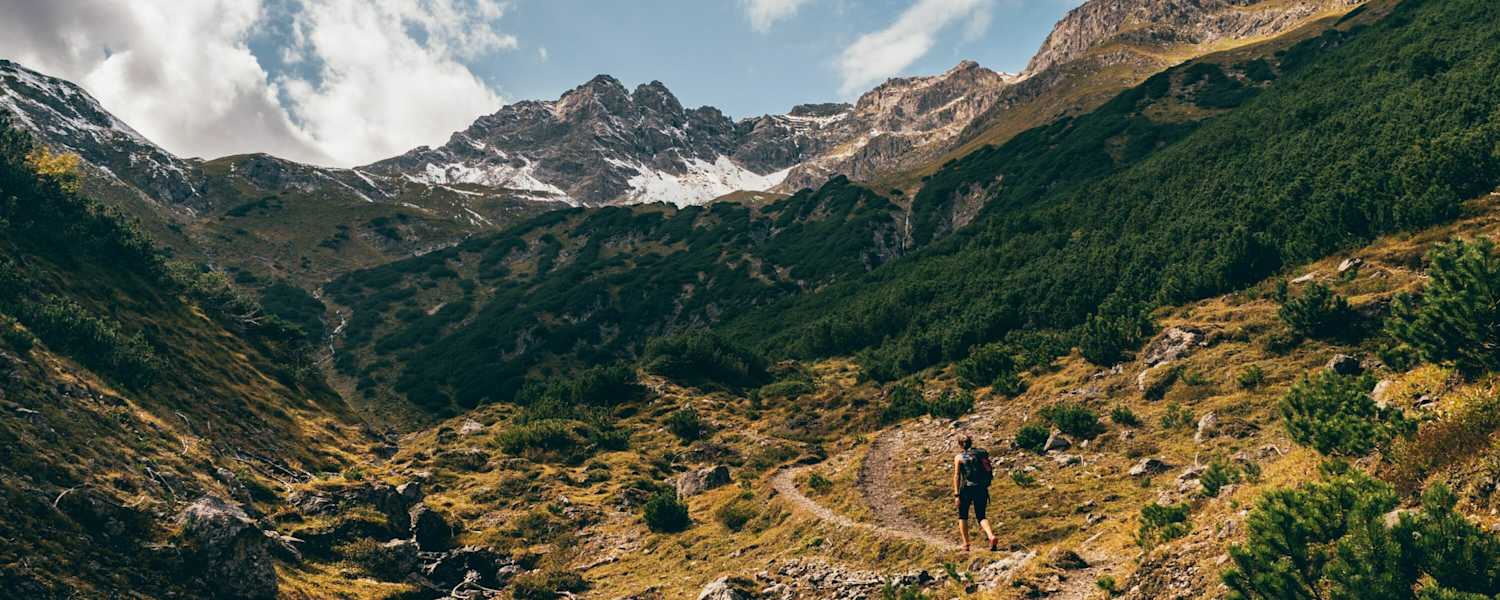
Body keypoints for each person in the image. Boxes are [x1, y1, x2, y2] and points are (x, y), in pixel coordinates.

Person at [953, 434, 997, 552]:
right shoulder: (980, 454)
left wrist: (956, 494)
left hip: (966, 489)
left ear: (960, 444)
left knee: (963, 515)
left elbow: (957, 476)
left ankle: (966, 544)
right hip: (981, 488)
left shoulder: (959, 457)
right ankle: (991, 536)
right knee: (981, 516)